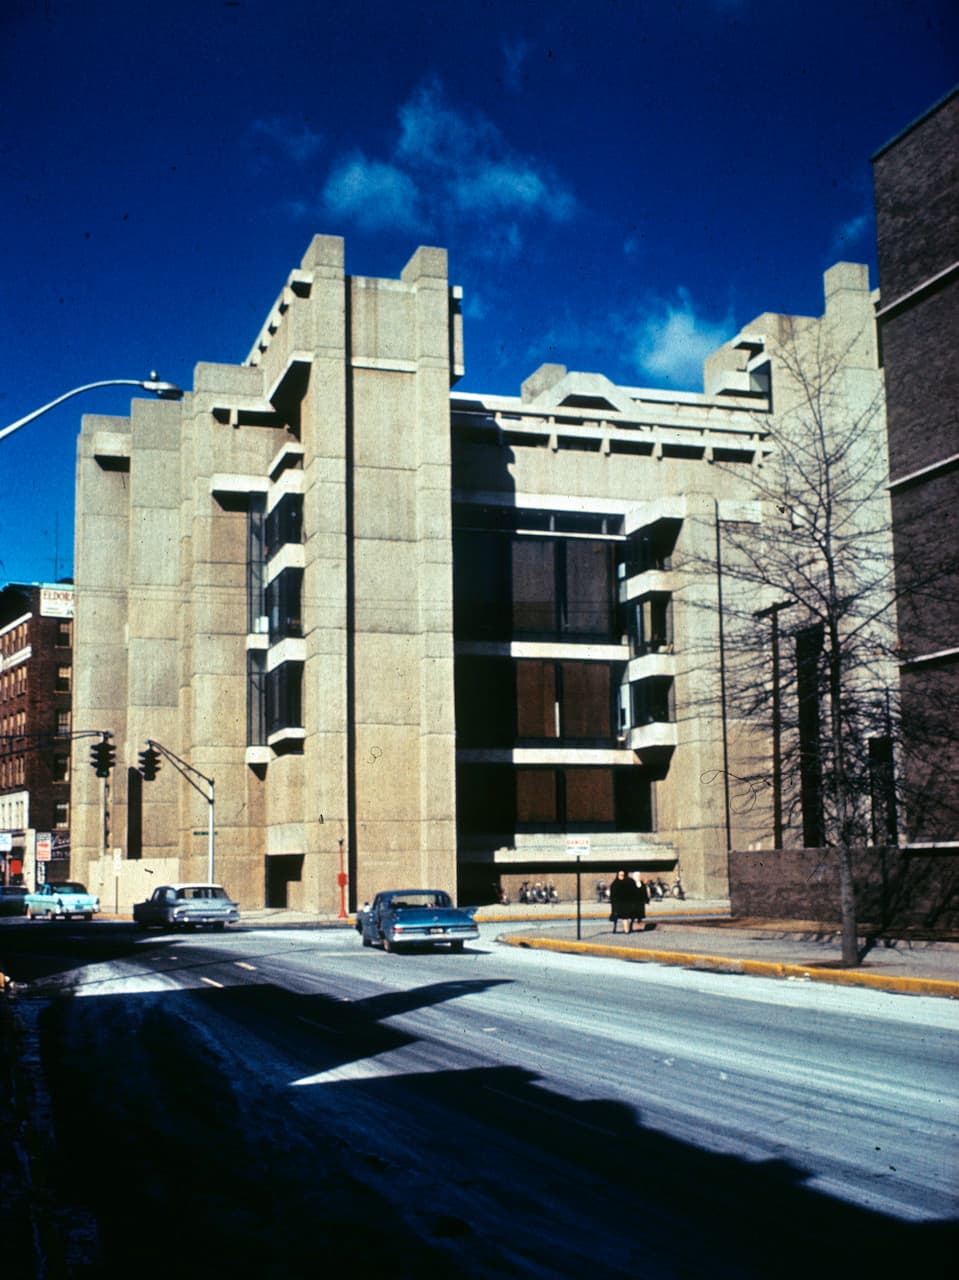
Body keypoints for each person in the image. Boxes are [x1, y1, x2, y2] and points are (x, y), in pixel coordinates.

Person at [609, 869, 641, 934]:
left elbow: (634, 891)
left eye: (622, 875)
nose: (621, 876)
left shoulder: (629, 882)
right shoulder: (615, 883)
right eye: (620, 875)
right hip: (618, 903)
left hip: (627, 903)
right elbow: (613, 895)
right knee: (622, 917)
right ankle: (624, 930)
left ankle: (627, 930)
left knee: (626, 917)